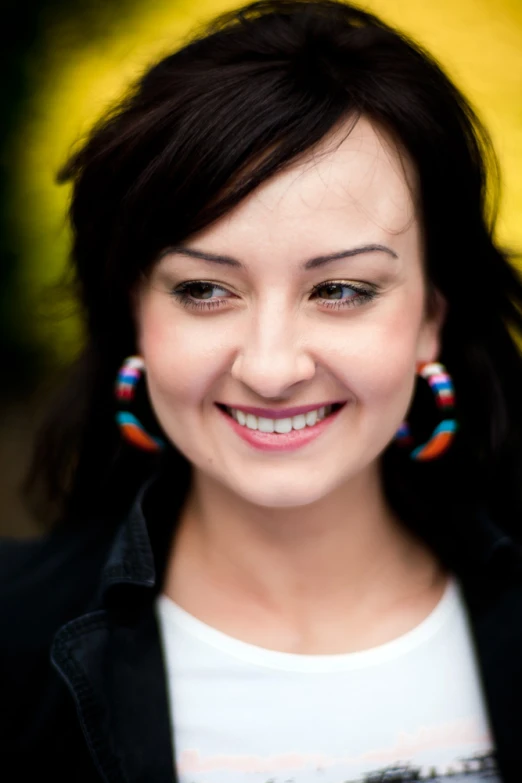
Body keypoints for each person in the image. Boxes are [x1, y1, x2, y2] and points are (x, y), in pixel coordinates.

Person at [2, 0, 522, 780]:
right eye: (206, 291)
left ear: (430, 318)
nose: (272, 369)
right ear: (136, 313)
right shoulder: (11, 634)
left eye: (342, 289)